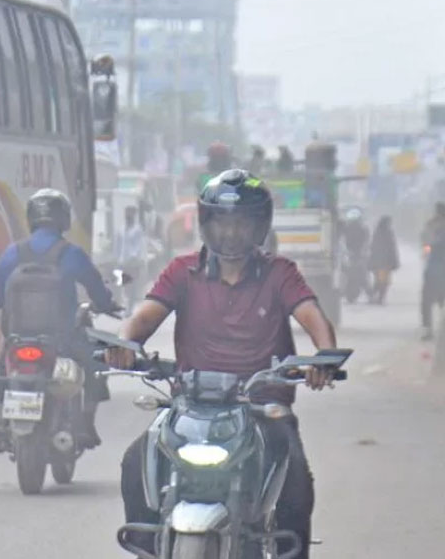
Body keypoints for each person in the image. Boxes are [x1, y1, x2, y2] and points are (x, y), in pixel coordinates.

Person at [105, 170, 338, 559]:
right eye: (222, 222)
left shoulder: (281, 273)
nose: (231, 233)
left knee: (295, 475)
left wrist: (324, 358)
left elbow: (313, 317)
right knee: (136, 457)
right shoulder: (182, 271)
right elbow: (144, 318)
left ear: (259, 226)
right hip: (191, 405)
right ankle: (146, 545)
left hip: (262, 406)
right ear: (206, 224)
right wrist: (126, 345)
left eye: (241, 223)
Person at [0, 188, 119, 446]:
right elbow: (97, 289)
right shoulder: (72, 254)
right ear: (63, 219)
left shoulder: (13, 253)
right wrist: (105, 304)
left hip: (19, 338)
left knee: (2, 367)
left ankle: (3, 420)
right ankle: (86, 423)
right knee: (96, 364)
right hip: (63, 340)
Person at [420, 202, 445, 340]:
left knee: (434, 301)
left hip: (440, 270)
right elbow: (425, 244)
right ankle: (431, 329)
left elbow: (430, 244)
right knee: (437, 300)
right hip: (439, 270)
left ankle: (432, 329)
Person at [115, 205, 146, 306]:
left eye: (131, 213)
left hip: (133, 262)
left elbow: (139, 246)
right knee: (123, 283)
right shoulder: (121, 229)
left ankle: (130, 305)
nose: (128, 215)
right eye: (127, 213)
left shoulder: (138, 230)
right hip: (122, 261)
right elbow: (118, 244)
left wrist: (136, 258)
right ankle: (124, 301)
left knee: (132, 285)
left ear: (134, 215)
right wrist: (117, 258)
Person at [369, 216, 400, 305]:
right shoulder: (388, 233)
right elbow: (392, 248)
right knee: (383, 282)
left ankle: (377, 297)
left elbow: (373, 247)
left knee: (380, 281)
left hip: (381, 262)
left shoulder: (378, 232)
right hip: (385, 262)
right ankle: (379, 298)